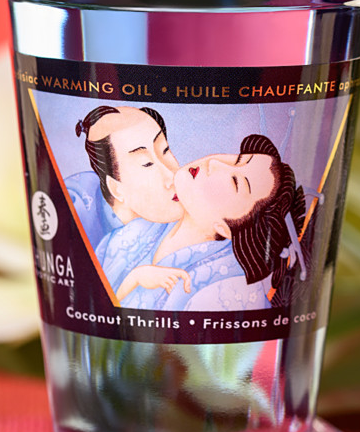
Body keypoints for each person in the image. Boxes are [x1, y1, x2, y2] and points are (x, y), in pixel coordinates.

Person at [98, 134, 306, 311]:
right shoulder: (141, 228)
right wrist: (135, 277)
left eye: (235, 181)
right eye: (237, 160)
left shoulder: (229, 290)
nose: (214, 163)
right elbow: (91, 307)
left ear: (226, 229)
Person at [66, 105, 181, 248]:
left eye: (165, 150)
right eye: (146, 163)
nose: (172, 176)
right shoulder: (76, 209)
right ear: (116, 188)